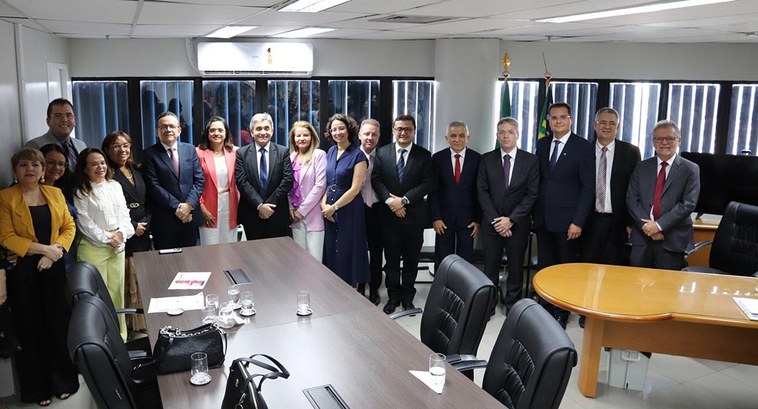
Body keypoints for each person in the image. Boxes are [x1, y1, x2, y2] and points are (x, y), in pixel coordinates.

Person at [0, 148, 79, 406]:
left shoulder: (55, 193)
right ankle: (37, 389)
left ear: (43, 170)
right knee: (29, 329)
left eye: (35, 164)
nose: (30, 169)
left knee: (58, 324)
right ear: (15, 171)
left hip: (53, 267)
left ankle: (63, 381)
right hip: (24, 271)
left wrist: (55, 252)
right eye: (23, 165)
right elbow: (7, 237)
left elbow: (69, 226)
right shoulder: (5, 197)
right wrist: (45, 249)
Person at [534, 102, 595, 328]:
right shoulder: (542, 144)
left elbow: (588, 188)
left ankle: (562, 311)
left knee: (564, 270)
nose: (557, 121)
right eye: (553, 118)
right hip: (543, 219)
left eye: (562, 117)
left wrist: (578, 221)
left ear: (571, 120)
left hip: (568, 222)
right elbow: (539, 180)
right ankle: (544, 308)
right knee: (545, 267)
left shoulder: (583, 147)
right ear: (548, 121)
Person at [372, 114, 434, 314]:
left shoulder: (424, 155)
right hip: (389, 217)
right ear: (393, 130)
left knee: (411, 261)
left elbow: (427, 183)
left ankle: (408, 298)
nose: (403, 132)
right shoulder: (382, 153)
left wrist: (404, 200)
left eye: (408, 129)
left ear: (414, 131)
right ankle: (393, 297)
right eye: (399, 128)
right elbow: (376, 180)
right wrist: (391, 202)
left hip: (414, 217)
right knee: (390, 261)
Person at [477, 117, 539, 313]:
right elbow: (482, 191)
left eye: (510, 132)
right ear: (496, 135)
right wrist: (498, 221)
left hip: (518, 224)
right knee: (490, 266)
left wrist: (511, 220)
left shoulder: (531, 160)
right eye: (501, 132)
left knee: (515, 265)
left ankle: (512, 304)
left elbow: (532, 194)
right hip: (492, 224)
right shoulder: (486, 159)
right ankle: (489, 304)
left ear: (517, 135)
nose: (505, 136)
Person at [73, 148, 135, 341]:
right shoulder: (81, 191)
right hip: (94, 249)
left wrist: (121, 234)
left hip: (117, 247)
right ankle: (101, 341)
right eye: (93, 164)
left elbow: (125, 215)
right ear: (85, 169)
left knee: (117, 294)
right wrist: (110, 238)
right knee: (97, 298)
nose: (100, 167)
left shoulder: (115, 185)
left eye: (102, 163)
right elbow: (85, 224)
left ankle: (121, 339)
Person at [627, 120, 700, 270]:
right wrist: (647, 227)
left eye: (670, 138)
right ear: (653, 142)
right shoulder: (641, 167)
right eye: (659, 139)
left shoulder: (690, 169)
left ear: (679, 141)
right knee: (636, 284)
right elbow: (631, 199)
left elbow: (688, 204)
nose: (664, 142)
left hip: (672, 238)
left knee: (667, 287)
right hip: (642, 237)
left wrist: (659, 226)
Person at [102, 131, 151, 334]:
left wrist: (146, 222)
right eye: (116, 146)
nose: (121, 150)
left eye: (125, 145)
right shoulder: (107, 174)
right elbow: (110, 209)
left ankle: (144, 324)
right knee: (127, 280)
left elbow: (146, 201)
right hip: (124, 234)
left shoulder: (136, 169)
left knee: (143, 278)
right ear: (107, 149)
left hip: (144, 230)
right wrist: (132, 225)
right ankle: (131, 327)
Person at [582, 108, 642, 266]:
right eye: (603, 122)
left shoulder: (631, 152)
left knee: (614, 269)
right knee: (587, 268)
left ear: (618, 127)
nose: (607, 127)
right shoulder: (583, 150)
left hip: (618, 222)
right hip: (588, 221)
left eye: (612, 123)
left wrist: (631, 223)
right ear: (595, 125)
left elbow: (635, 190)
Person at [143, 111, 204, 249]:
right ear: (157, 132)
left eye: (171, 126)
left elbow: (199, 180)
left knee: (191, 262)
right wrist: (178, 207)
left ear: (179, 130)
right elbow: (153, 186)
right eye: (163, 127)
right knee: (166, 264)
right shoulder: (149, 154)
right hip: (165, 220)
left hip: (190, 218)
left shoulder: (190, 149)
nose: (168, 129)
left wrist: (188, 205)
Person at [320, 114, 370, 286]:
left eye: (341, 128)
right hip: (329, 209)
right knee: (332, 250)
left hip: (349, 209)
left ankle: (350, 289)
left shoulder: (358, 156)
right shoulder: (331, 151)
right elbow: (327, 183)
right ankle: (333, 288)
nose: (337, 132)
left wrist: (333, 207)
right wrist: (324, 205)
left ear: (349, 130)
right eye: (334, 129)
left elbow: (355, 189)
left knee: (348, 250)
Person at [429, 121, 481, 270]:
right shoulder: (438, 158)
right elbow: (434, 191)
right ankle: (443, 290)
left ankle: (463, 291)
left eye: (461, 135)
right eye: (453, 136)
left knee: (465, 261)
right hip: (443, 220)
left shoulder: (477, 159)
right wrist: (436, 217)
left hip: (468, 220)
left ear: (467, 138)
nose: (457, 139)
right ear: (446, 138)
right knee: (443, 259)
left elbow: (480, 191)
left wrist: (478, 219)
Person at [235, 113, 293, 240]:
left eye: (266, 128)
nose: (263, 132)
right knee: (253, 256)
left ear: (272, 131)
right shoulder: (241, 153)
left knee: (278, 255)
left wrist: (269, 205)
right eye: (258, 128)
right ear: (251, 132)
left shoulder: (283, 152)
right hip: (251, 213)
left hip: (277, 213)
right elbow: (242, 182)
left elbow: (288, 180)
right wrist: (260, 206)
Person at [196, 117, 240, 245]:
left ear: (226, 133)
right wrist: (202, 208)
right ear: (207, 133)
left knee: (230, 245)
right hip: (207, 204)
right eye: (212, 130)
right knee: (210, 246)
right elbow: (194, 183)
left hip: (231, 204)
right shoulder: (198, 153)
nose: (216, 133)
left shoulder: (235, 152)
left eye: (220, 130)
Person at [288, 120, 326, 259]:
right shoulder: (290, 157)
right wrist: (291, 208)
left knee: (314, 259)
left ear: (312, 137)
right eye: (298, 136)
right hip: (295, 218)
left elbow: (320, 185)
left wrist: (302, 210)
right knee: (299, 260)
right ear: (293, 138)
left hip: (313, 215)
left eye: (306, 135)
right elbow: (288, 186)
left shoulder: (319, 155)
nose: (302, 138)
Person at [356, 119, 383, 305]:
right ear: (359, 135)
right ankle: (359, 285)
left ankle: (374, 288)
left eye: (374, 134)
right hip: (356, 209)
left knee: (375, 250)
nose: (370, 137)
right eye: (366, 133)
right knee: (358, 250)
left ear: (378, 136)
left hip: (378, 209)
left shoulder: (384, 157)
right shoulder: (351, 156)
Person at [25, 98, 87, 171]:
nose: (64, 119)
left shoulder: (81, 145)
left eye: (68, 115)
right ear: (48, 121)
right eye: (58, 116)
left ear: (75, 120)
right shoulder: (35, 146)